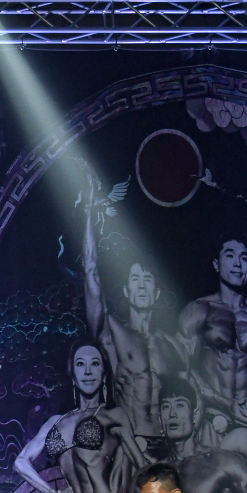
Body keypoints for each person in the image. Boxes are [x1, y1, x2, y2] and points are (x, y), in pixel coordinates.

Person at [81, 176, 180, 443]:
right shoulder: (113, 333)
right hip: (131, 443)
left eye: (148, 280)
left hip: (168, 446)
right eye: (135, 280)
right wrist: (89, 213)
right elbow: (90, 271)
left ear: (156, 293)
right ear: (126, 291)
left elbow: (190, 395)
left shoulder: (171, 345)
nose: (142, 286)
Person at [14, 342, 146, 493]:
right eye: (80, 364)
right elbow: (20, 463)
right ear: (73, 375)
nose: (88, 371)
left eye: (95, 363)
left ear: (104, 374)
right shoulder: (56, 421)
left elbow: (141, 468)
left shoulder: (113, 415)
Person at [178, 236, 247, 447]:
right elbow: (181, 367)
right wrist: (225, 404)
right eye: (230, 256)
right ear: (216, 264)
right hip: (211, 420)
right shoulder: (198, 310)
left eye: (244, 258)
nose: (238, 264)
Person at [158, 376, 247, 493]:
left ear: (195, 415)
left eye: (180, 405)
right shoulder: (149, 474)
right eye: (166, 407)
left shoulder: (221, 461)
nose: (172, 414)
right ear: (160, 419)